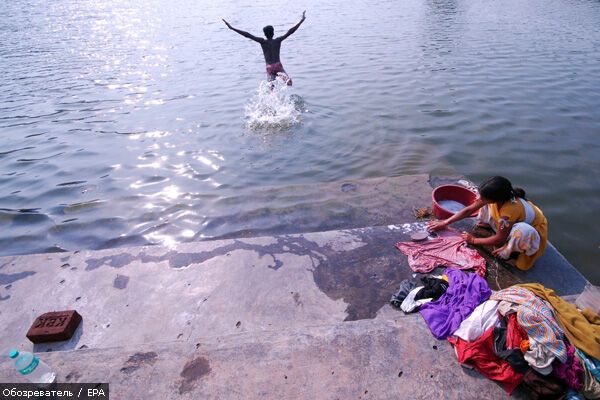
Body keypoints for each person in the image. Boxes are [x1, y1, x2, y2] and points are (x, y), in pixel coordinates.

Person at [428, 176, 548, 270]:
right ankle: (493, 225)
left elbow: (499, 240)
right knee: (483, 204)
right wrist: (445, 222)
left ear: (498, 198)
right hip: (510, 220)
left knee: (521, 232)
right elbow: (469, 209)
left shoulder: (510, 210)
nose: (482, 200)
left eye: (485, 198)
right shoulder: (499, 198)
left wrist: (473, 240)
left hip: (532, 230)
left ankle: (511, 251)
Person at [222, 11, 306, 85]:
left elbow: (247, 34)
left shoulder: (262, 42)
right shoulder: (278, 40)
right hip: (278, 66)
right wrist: (301, 21)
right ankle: (283, 77)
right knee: (289, 83)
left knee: (271, 90)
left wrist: (232, 28)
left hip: (269, 67)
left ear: (264, 34)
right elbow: (290, 31)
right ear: (273, 33)